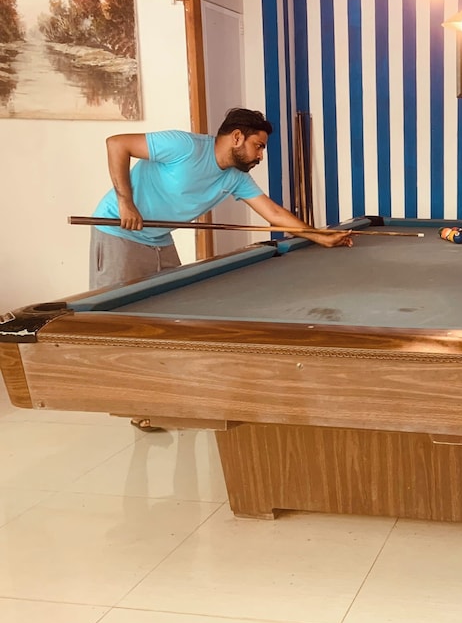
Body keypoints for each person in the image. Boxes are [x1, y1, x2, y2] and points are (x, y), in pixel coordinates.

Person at [90, 107, 353, 431]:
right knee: (117, 324)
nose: (260, 155)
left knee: (169, 318)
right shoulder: (184, 146)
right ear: (237, 137)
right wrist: (125, 202)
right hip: (119, 231)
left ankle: (163, 395)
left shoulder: (235, 178)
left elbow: (272, 212)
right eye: (258, 146)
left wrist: (319, 236)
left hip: (158, 236)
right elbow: (117, 143)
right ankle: (134, 405)